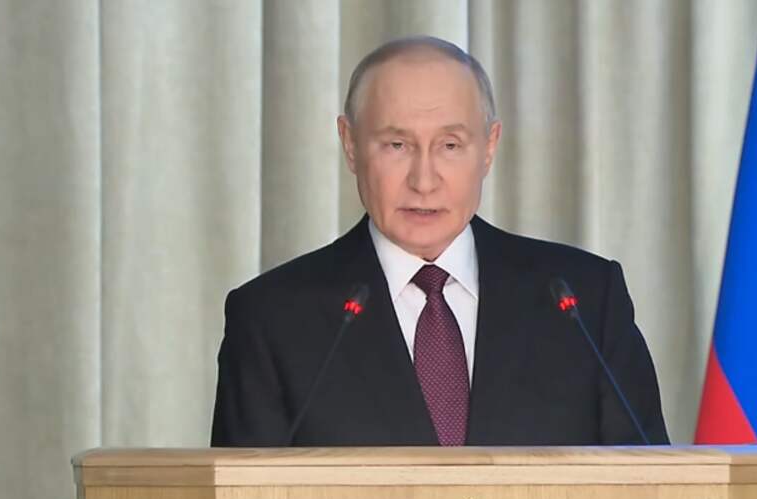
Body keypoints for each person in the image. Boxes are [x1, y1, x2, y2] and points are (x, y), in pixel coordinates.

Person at [211, 36, 668, 447]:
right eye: (397, 145)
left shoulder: (585, 302)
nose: (424, 181)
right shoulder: (271, 320)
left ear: (489, 147)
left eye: (450, 145)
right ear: (350, 145)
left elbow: (652, 491)